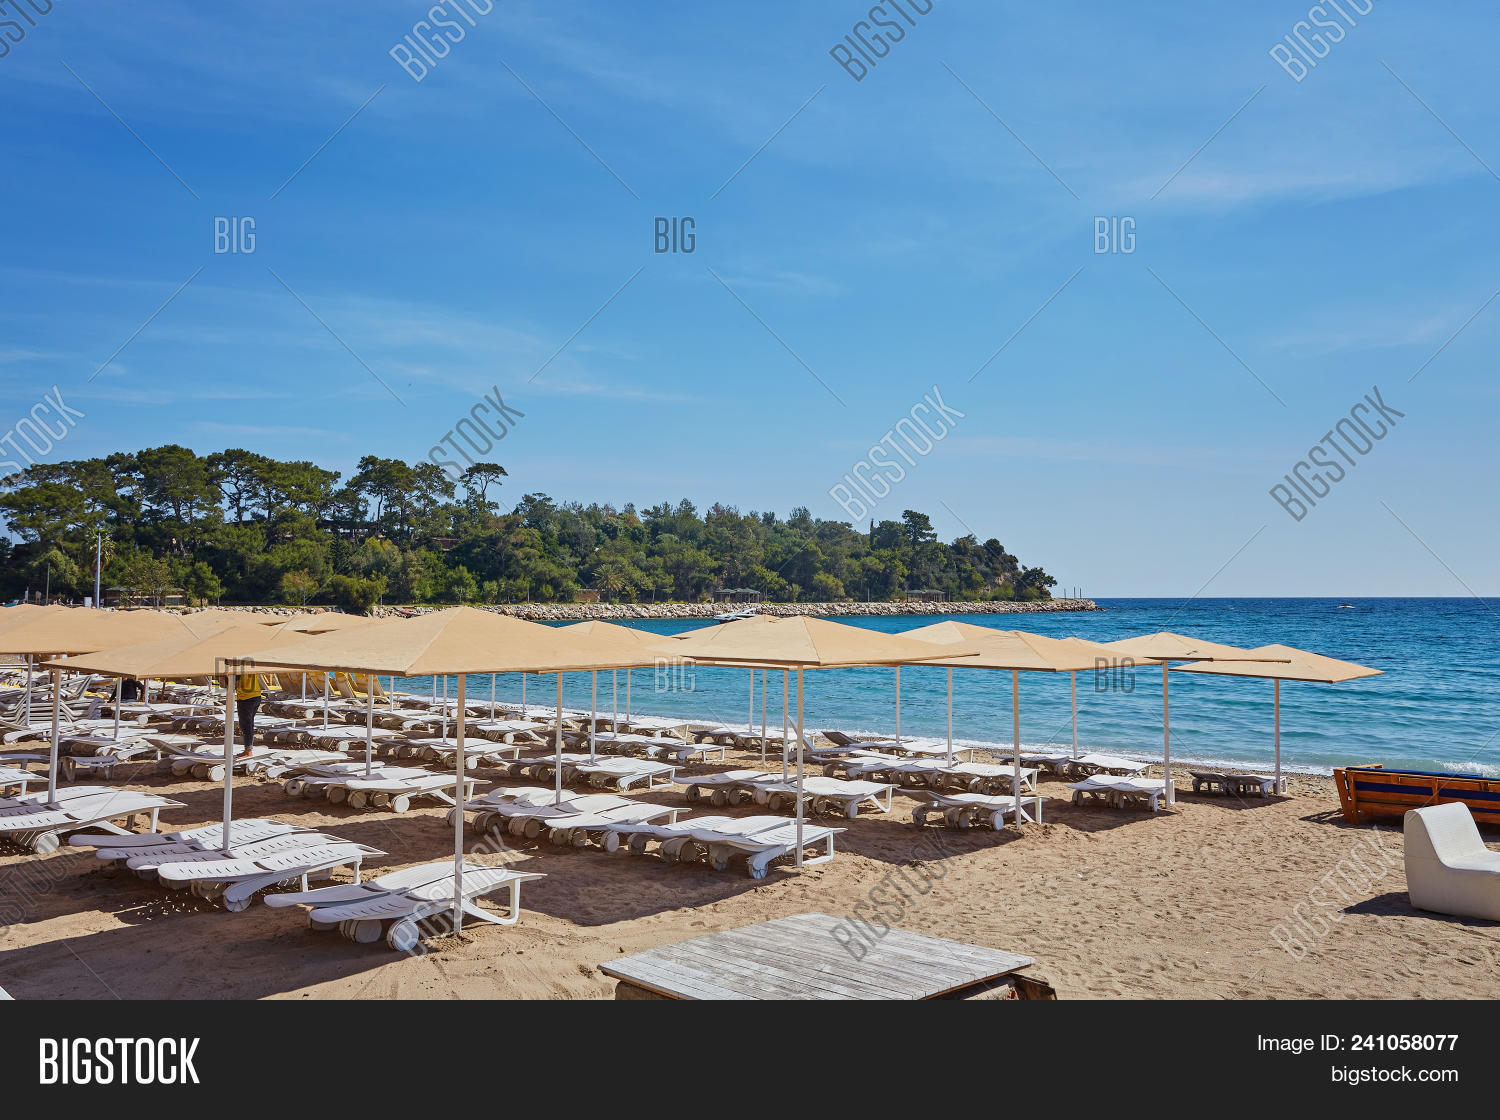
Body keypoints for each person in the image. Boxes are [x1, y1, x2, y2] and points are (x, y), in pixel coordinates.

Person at [234, 671, 263, 760]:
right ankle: (248, 748)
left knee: (246, 725)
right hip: (256, 695)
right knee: (250, 723)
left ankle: (248, 750)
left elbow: (235, 684)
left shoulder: (238, 668)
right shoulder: (252, 665)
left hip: (245, 698)